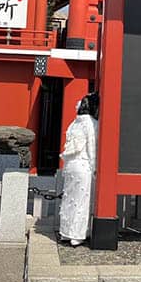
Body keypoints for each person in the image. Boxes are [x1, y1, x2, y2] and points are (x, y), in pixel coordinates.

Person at [58, 93, 99, 246]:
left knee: (70, 199)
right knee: (82, 201)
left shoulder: (74, 122)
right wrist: (95, 168)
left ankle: (66, 232)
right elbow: (92, 148)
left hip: (70, 165)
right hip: (83, 165)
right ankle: (77, 234)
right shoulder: (92, 123)